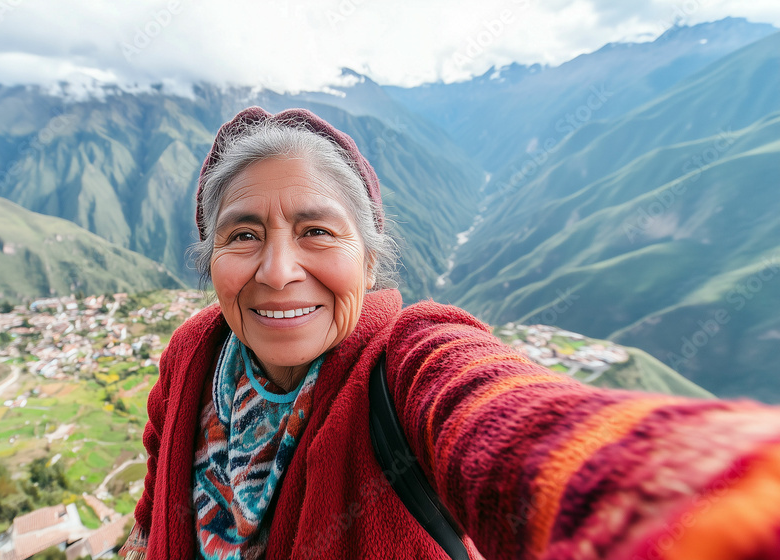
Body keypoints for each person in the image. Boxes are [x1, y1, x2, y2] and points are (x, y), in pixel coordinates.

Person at [120, 106, 780, 560]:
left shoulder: (410, 364)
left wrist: (724, 499)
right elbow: (159, 471)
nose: (278, 269)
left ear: (369, 260)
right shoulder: (193, 351)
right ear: (211, 260)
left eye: (317, 230)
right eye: (243, 235)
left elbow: (512, 426)